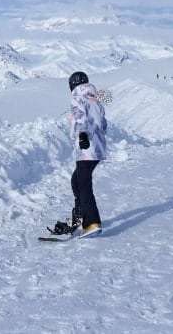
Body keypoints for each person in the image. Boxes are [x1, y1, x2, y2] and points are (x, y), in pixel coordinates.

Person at [55, 71, 108, 237]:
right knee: (76, 180)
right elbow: (103, 123)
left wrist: (83, 134)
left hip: (87, 147)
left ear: (72, 84)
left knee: (83, 183)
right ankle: (80, 216)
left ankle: (91, 222)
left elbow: (79, 117)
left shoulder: (77, 96)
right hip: (98, 146)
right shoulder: (95, 97)